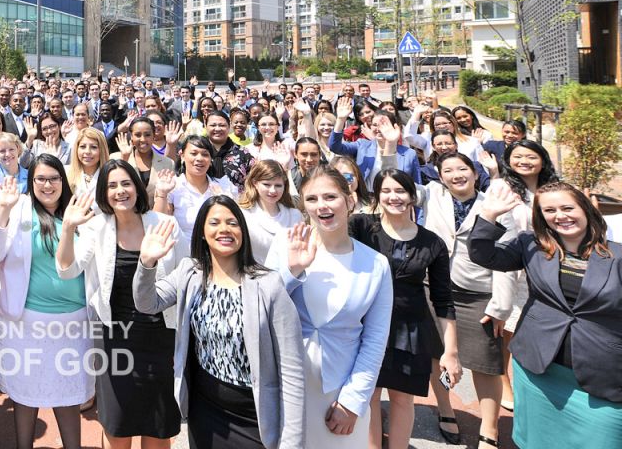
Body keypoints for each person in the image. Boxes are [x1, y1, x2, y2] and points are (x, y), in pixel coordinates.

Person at [133, 195, 304, 449]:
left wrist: (292, 442)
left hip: (254, 415)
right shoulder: (189, 272)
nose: (224, 229)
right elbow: (147, 303)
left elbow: (291, 370)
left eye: (232, 223)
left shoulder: (268, 284)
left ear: (243, 232)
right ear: (202, 231)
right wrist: (147, 263)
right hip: (206, 410)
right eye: (214, 222)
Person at [469, 181, 622, 446]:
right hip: (538, 367)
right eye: (549, 210)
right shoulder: (531, 246)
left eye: (567, 207)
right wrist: (489, 216)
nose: (560, 216)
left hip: (603, 374)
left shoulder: (618, 256)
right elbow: (484, 255)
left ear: (585, 209)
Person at [56, 159, 181, 448]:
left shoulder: (165, 225)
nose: (120, 191)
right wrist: (68, 229)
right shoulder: (96, 227)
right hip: (113, 339)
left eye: (126, 183)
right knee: (118, 426)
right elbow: (67, 270)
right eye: (112, 186)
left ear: (138, 188)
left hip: (159, 338)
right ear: (104, 193)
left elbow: (183, 275)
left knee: (159, 426)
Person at [267, 167, 392, 448]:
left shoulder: (375, 265)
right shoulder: (284, 245)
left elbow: (375, 339)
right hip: (286, 387)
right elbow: (264, 311)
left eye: (330, 196)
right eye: (312, 199)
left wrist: (353, 401)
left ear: (350, 201)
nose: (321, 205)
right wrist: (292, 271)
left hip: (339, 393)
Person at [0, 155, 92, 449]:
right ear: (31, 182)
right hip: (26, 322)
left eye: (53, 178)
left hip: (73, 324)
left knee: (67, 393)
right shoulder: (17, 208)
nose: (47, 184)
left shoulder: (79, 210)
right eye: (40, 179)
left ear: (63, 181)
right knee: (24, 393)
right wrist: (2, 210)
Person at [351, 169, 459, 449]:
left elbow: (443, 299)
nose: (393, 197)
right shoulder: (361, 227)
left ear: (412, 196)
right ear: (377, 196)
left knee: (402, 399)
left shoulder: (432, 243)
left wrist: (451, 351)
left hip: (409, 330)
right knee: (370, 395)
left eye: (400, 191)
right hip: (366, 327)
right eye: (386, 191)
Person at [422, 152, 517, 447]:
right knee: (437, 354)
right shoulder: (431, 195)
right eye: (448, 170)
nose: (455, 174)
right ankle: (446, 408)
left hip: (477, 292)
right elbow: (389, 184)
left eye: (462, 168)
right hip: (434, 286)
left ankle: (490, 427)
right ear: (440, 176)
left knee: (486, 362)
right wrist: (387, 148)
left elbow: (507, 255)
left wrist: (501, 305)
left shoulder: (494, 204)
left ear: (476, 174)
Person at [154, 135, 235, 250]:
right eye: (194, 153)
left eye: (205, 154)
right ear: (182, 156)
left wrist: (224, 201)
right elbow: (159, 222)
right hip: (182, 254)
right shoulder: (172, 186)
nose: (199, 158)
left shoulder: (223, 186)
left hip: (216, 253)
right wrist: (162, 194)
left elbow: (234, 224)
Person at [237, 160, 301, 262]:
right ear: (255, 184)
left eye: (278, 185)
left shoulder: (295, 215)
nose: (273, 190)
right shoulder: (242, 214)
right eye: (267, 184)